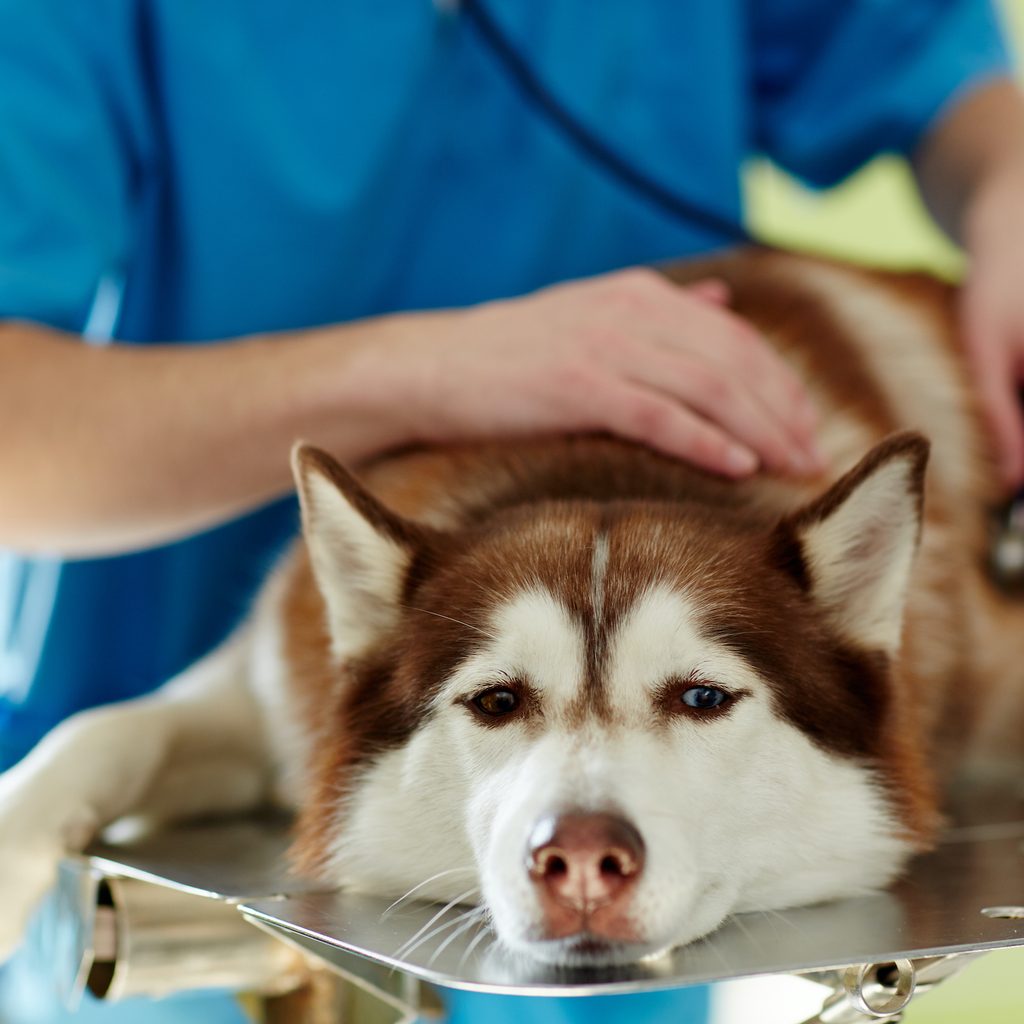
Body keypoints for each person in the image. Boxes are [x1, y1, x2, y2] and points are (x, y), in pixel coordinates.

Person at [0, 2, 1022, 1022]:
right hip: (165, 892)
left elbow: (909, 54)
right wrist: (428, 371)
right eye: (498, 703)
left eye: (702, 700)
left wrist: (1009, 184)